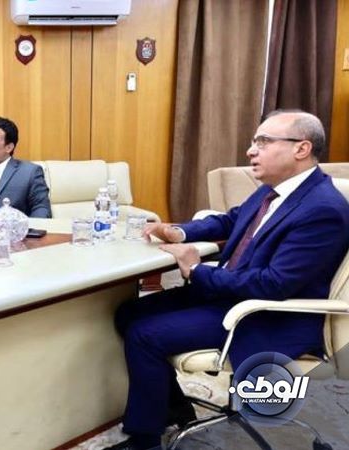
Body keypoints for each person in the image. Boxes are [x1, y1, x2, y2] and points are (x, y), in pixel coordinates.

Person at [105, 110, 349, 450]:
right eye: (254, 141)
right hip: (231, 294)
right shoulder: (276, 190)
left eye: (263, 142)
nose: (251, 150)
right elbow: (231, 220)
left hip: (266, 314)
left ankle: (146, 440)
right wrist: (179, 231)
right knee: (128, 312)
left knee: (145, 334)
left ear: (301, 148)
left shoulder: (323, 209)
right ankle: (171, 408)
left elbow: (273, 284)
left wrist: (196, 270)